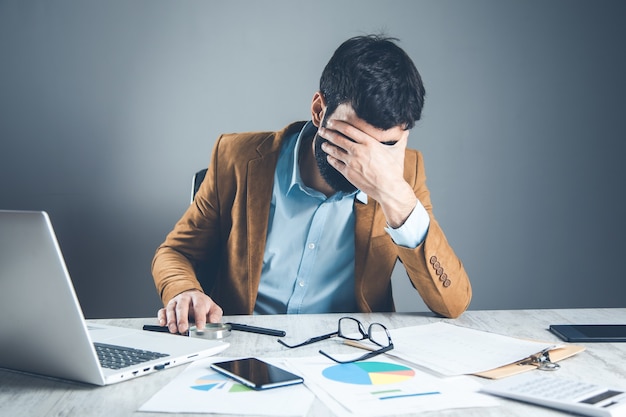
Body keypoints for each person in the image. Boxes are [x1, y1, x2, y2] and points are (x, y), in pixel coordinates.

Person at [152, 34, 472, 334]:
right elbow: (176, 251)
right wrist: (186, 291)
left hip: (346, 351)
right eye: (351, 139)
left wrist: (396, 195)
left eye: (386, 146)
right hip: (247, 345)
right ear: (319, 111)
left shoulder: (405, 173)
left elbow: (453, 302)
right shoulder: (237, 157)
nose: (365, 163)